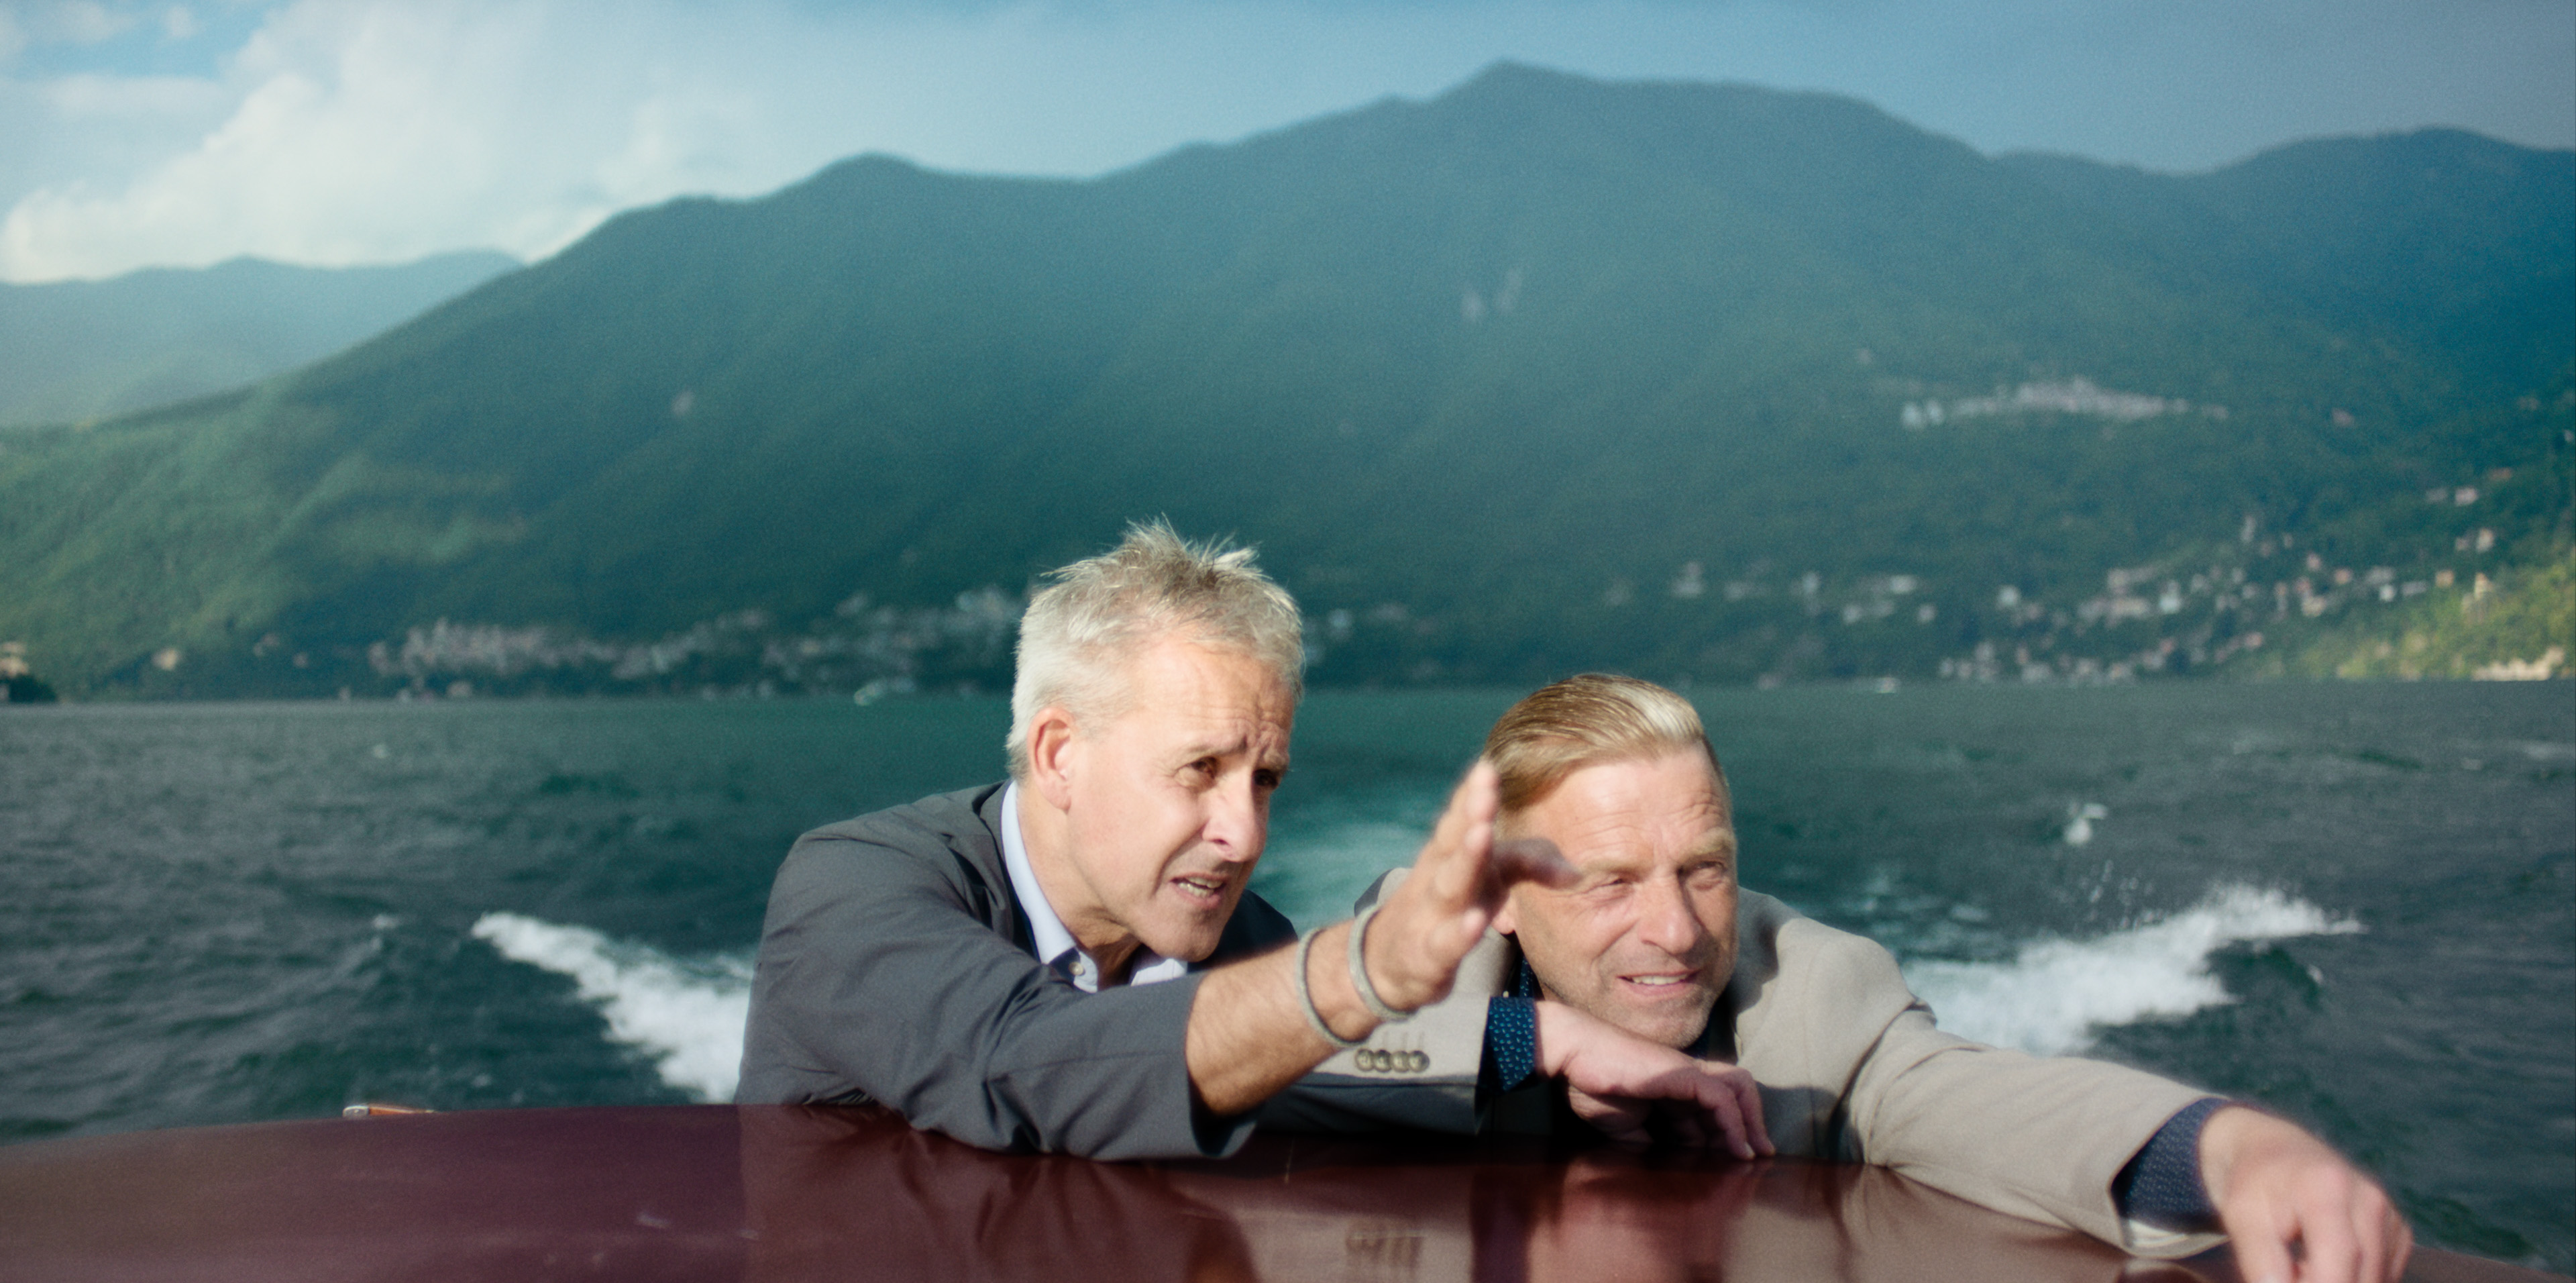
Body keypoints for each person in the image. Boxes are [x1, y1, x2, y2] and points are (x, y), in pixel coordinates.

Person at [1320, 673, 2411, 1283]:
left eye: (1705, 869)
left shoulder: (1811, 992)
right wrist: (1533, 1042)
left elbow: (1977, 1102)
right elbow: (1264, 1046)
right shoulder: (1407, 954)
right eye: (1610, 882)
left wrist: (2229, 1151)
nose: (1677, 930)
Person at [736, 525, 1759, 1160]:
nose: (1243, 834)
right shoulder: (849, 893)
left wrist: (1541, 1040)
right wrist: (1355, 970)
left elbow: (1334, 1066)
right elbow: (1026, 1064)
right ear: (1058, 754)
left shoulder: (1235, 941)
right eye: (1199, 770)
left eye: (1264, 778)